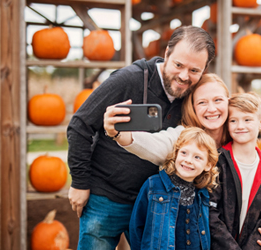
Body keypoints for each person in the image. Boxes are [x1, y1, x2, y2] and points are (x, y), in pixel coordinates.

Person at [67, 25, 215, 249]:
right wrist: (79, 182)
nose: (184, 76)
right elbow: (80, 125)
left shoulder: (193, 94)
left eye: (194, 70)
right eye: (178, 65)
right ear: (166, 54)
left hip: (154, 200)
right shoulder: (130, 80)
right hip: (106, 196)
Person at [104, 73, 261, 248]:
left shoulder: (238, 138)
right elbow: (154, 144)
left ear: (228, 103)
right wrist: (119, 133)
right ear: (193, 107)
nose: (211, 109)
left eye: (218, 100)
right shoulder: (185, 137)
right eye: (202, 102)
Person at [209, 92, 261, 249]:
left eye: (247, 120)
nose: (240, 126)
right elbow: (211, 214)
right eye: (233, 120)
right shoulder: (218, 162)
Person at [129, 127, 219, 250]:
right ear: (176, 153)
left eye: (197, 157)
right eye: (184, 153)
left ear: (208, 165)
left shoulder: (203, 194)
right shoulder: (153, 185)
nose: (188, 160)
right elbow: (136, 227)